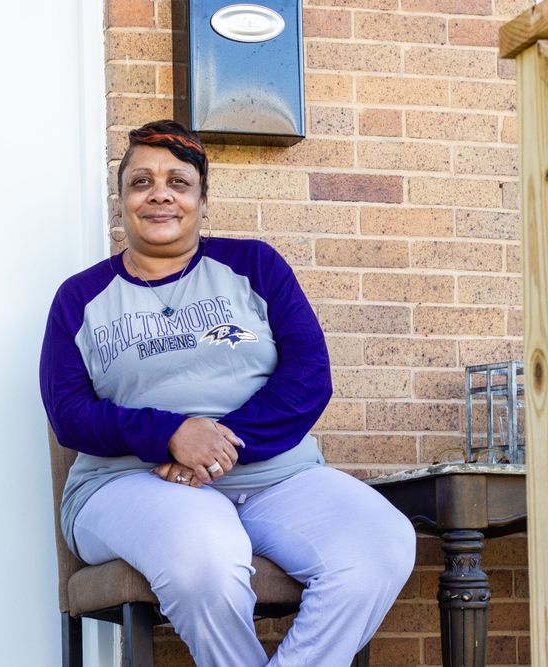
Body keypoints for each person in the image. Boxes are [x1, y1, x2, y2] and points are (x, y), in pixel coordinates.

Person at [40, 119, 415, 666]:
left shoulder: (255, 266)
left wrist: (214, 447)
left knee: (381, 541)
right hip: (127, 483)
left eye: (178, 181)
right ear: (121, 201)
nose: (160, 193)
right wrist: (171, 435)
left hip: (276, 477)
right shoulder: (80, 298)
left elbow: (308, 376)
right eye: (141, 182)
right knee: (205, 552)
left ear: (202, 199)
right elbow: (70, 413)